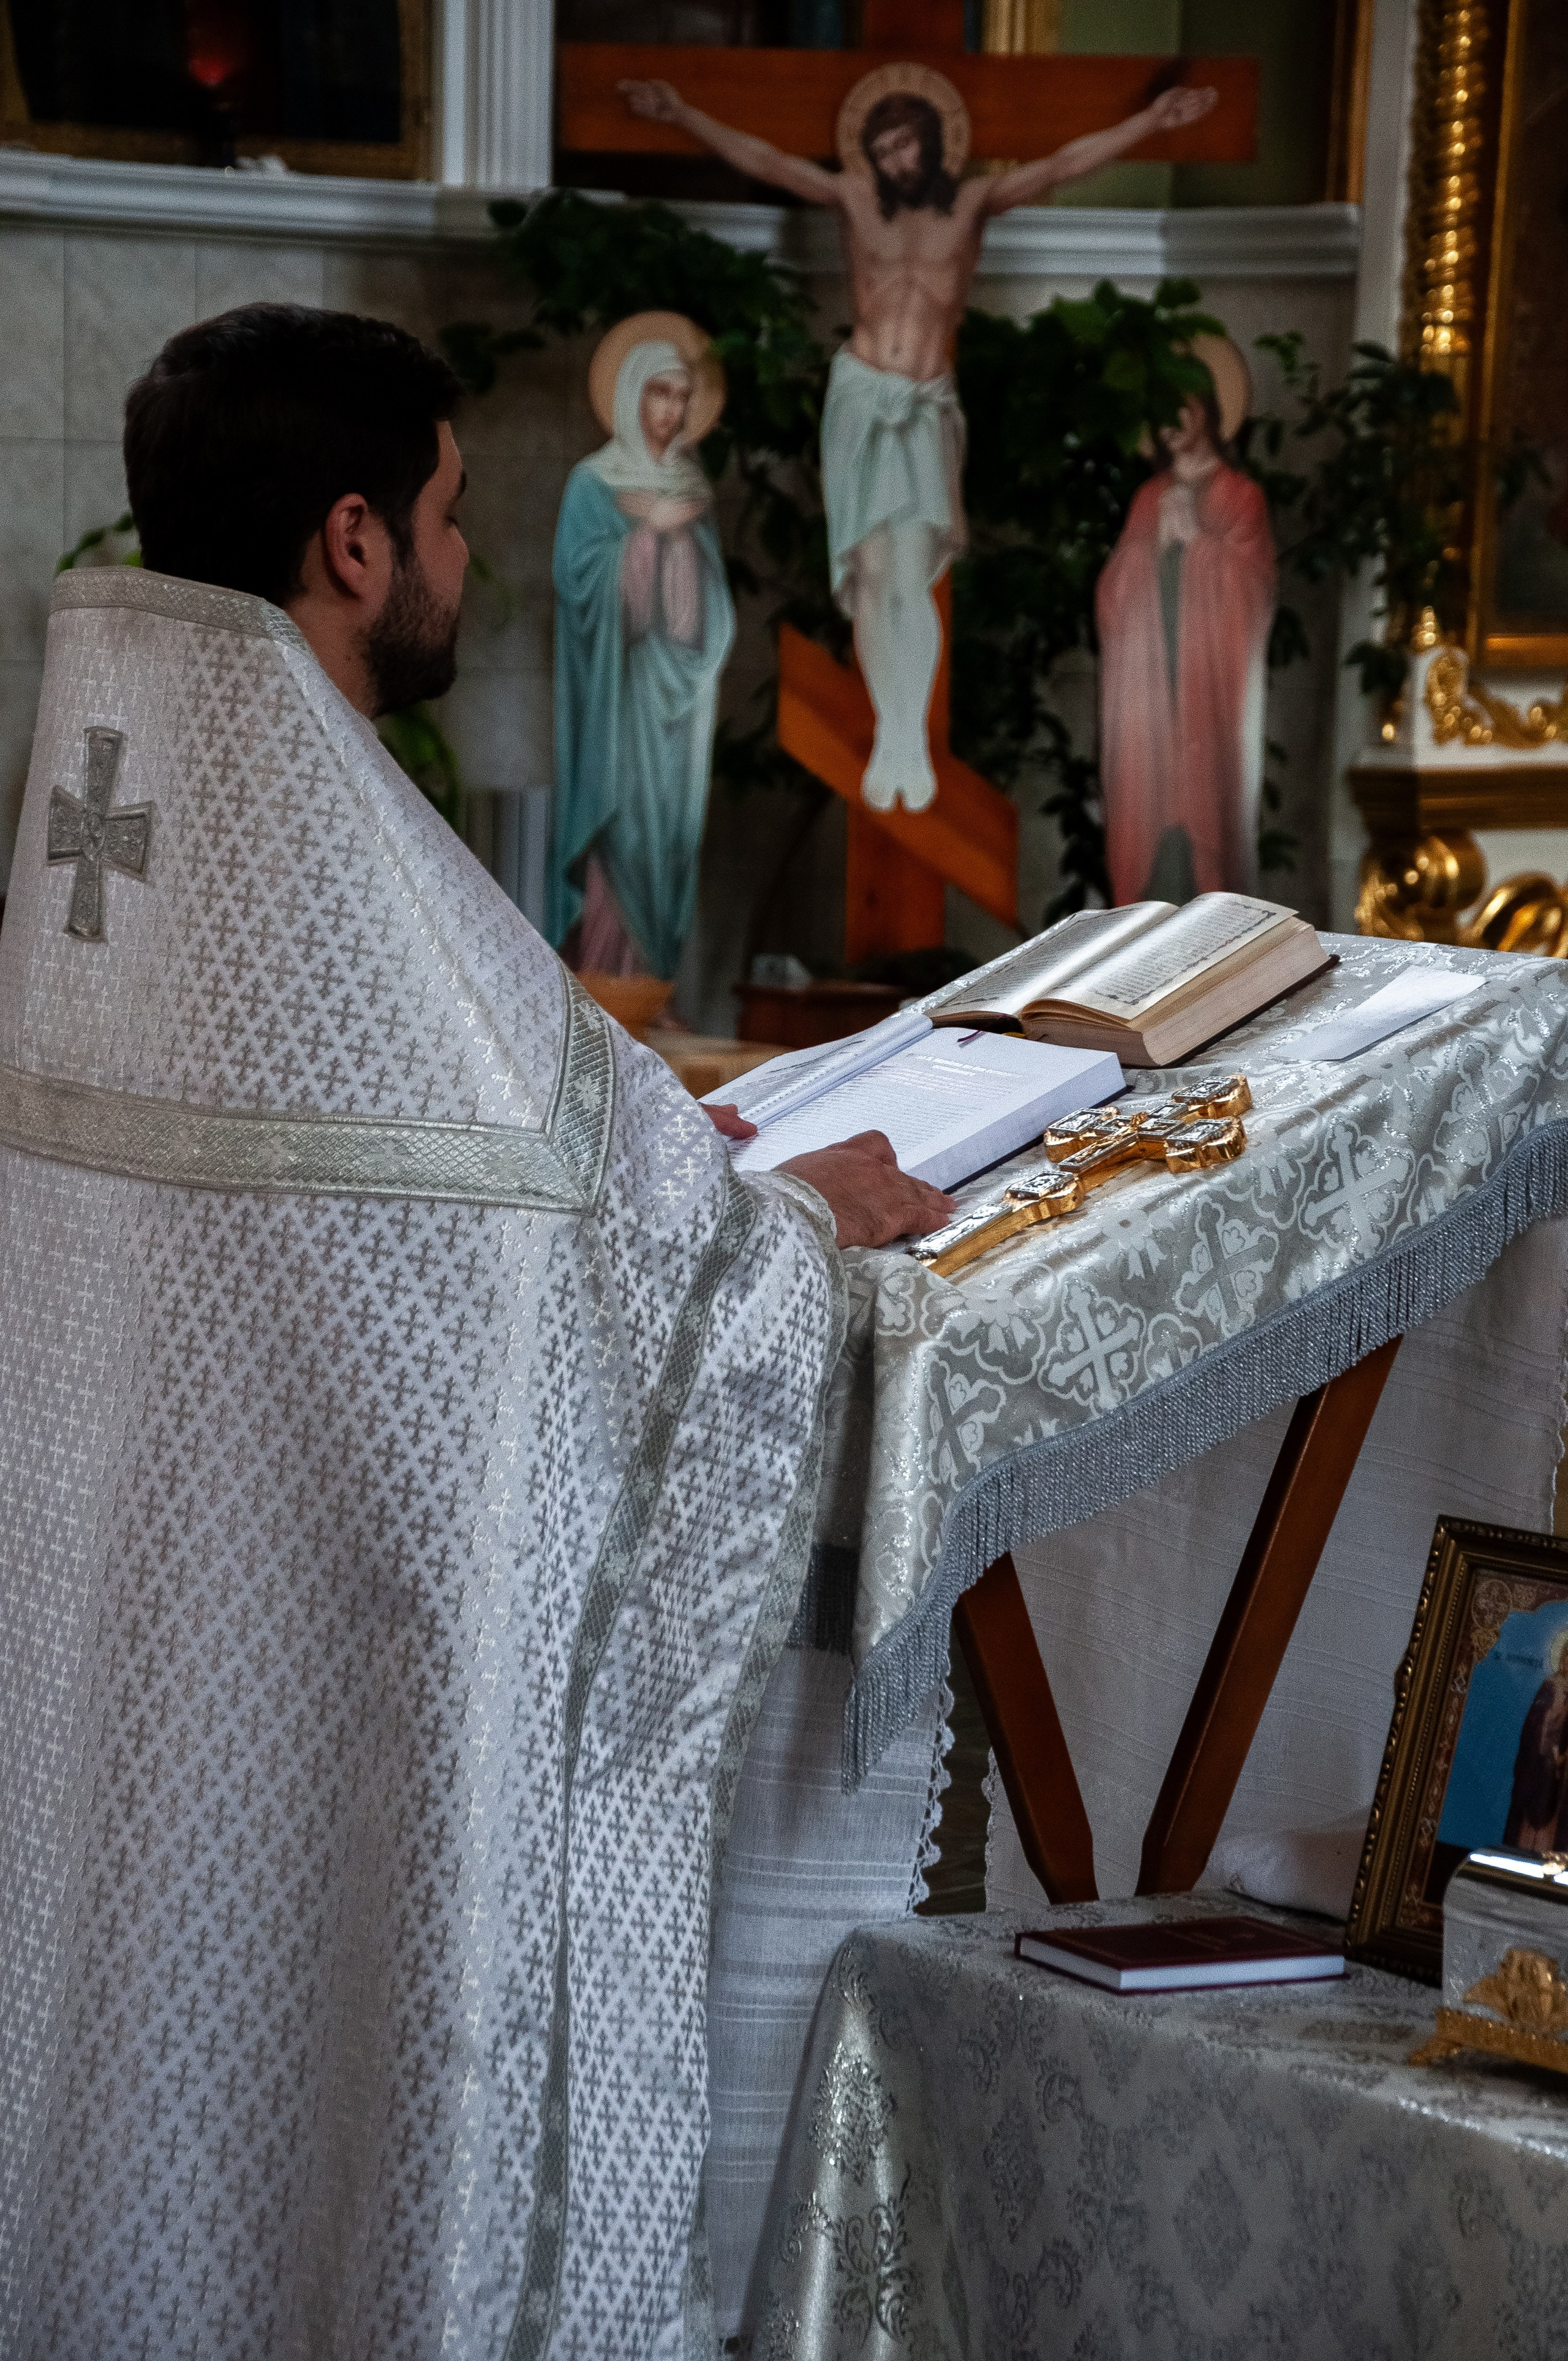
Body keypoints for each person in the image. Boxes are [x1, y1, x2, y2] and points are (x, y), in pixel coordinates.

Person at [0, 301, 949, 2361]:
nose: (466, 559)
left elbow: (492, 1202)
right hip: (343, 1697)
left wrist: (689, 1177)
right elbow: (639, 1285)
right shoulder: (346, 867)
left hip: (127, 1651)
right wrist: (802, 1224)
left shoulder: (117, 831)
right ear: (352, 542)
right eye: (444, 512)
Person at [620, 66, 1217, 814]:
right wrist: (682, 110)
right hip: (861, 397)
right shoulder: (853, 198)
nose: (896, 160)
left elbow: (1062, 164)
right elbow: (769, 162)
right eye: (884, 147)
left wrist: (1153, 123)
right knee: (872, 577)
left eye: (907, 145)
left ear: (933, 145)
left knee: (912, 576)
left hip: (925, 404)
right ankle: (892, 732)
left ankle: (907, 734)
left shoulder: (970, 203)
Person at [549, 317, 735, 983]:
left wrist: (680, 541)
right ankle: (604, 980)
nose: (672, 410)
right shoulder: (591, 484)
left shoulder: (694, 490)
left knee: (670, 841)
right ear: (630, 395)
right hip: (615, 695)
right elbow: (577, 589)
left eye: (682, 397)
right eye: (659, 393)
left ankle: (654, 982)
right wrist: (645, 537)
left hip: (678, 706)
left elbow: (712, 617)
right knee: (618, 831)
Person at [1095, 341, 1276, 905]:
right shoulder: (1149, 498)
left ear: (1205, 411)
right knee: (1146, 810)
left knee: (1206, 818)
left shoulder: (1240, 496)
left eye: (1180, 409)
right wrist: (1145, 557)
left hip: (1208, 689)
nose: (1169, 426)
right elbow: (1110, 595)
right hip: (1149, 687)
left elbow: (1255, 589)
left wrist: (1198, 547)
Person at [1504, 1629, 1568, 1853]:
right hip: (1540, 1768)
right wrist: (1552, 1716)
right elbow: (1534, 1725)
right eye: (1566, 1656)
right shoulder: (1550, 1686)